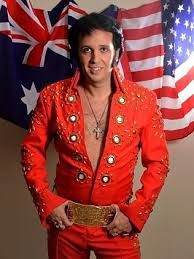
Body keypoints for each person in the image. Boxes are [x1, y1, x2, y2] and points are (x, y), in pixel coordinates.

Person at [21, 12, 169, 259]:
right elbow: (31, 151)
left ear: (117, 53)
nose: (95, 59)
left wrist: (135, 213)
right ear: (76, 53)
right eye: (86, 50)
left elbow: (159, 163)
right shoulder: (52, 97)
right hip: (66, 223)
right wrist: (47, 201)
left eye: (103, 49)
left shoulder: (143, 101)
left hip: (117, 225)